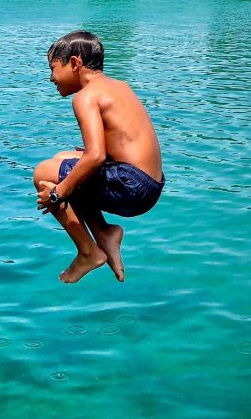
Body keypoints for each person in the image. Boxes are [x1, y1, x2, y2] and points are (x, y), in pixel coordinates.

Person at [33, 31, 164, 284]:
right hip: (150, 183)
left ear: (74, 63)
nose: (51, 78)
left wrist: (57, 194)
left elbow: (95, 157)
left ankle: (88, 251)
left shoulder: (85, 97)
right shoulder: (119, 86)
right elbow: (116, 146)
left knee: (43, 173)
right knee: (63, 159)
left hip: (132, 186)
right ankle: (104, 233)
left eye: (52, 69)